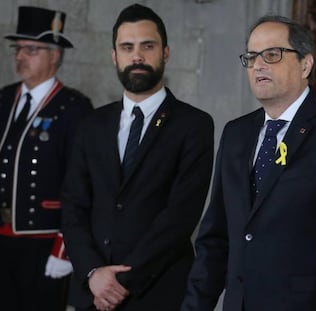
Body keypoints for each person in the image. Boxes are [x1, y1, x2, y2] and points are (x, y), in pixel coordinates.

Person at [181, 15, 316, 311]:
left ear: (305, 64)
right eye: (252, 57)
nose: (259, 64)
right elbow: (215, 240)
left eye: (272, 54)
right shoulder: (236, 133)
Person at [61, 3, 214, 311]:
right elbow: (73, 206)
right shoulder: (92, 124)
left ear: (166, 53)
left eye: (148, 46)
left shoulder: (194, 125)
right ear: (114, 56)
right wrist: (93, 273)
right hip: (93, 294)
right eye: (127, 47)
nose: (137, 57)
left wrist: (120, 283)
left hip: (159, 293)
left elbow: (180, 216)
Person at [0, 5, 93, 311]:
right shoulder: (3, 99)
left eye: (31, 50)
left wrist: (64, 250)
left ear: (54, 56)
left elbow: (81, 185)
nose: (19, 57)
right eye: (18, 49)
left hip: (42, 244)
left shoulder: (73, 108)